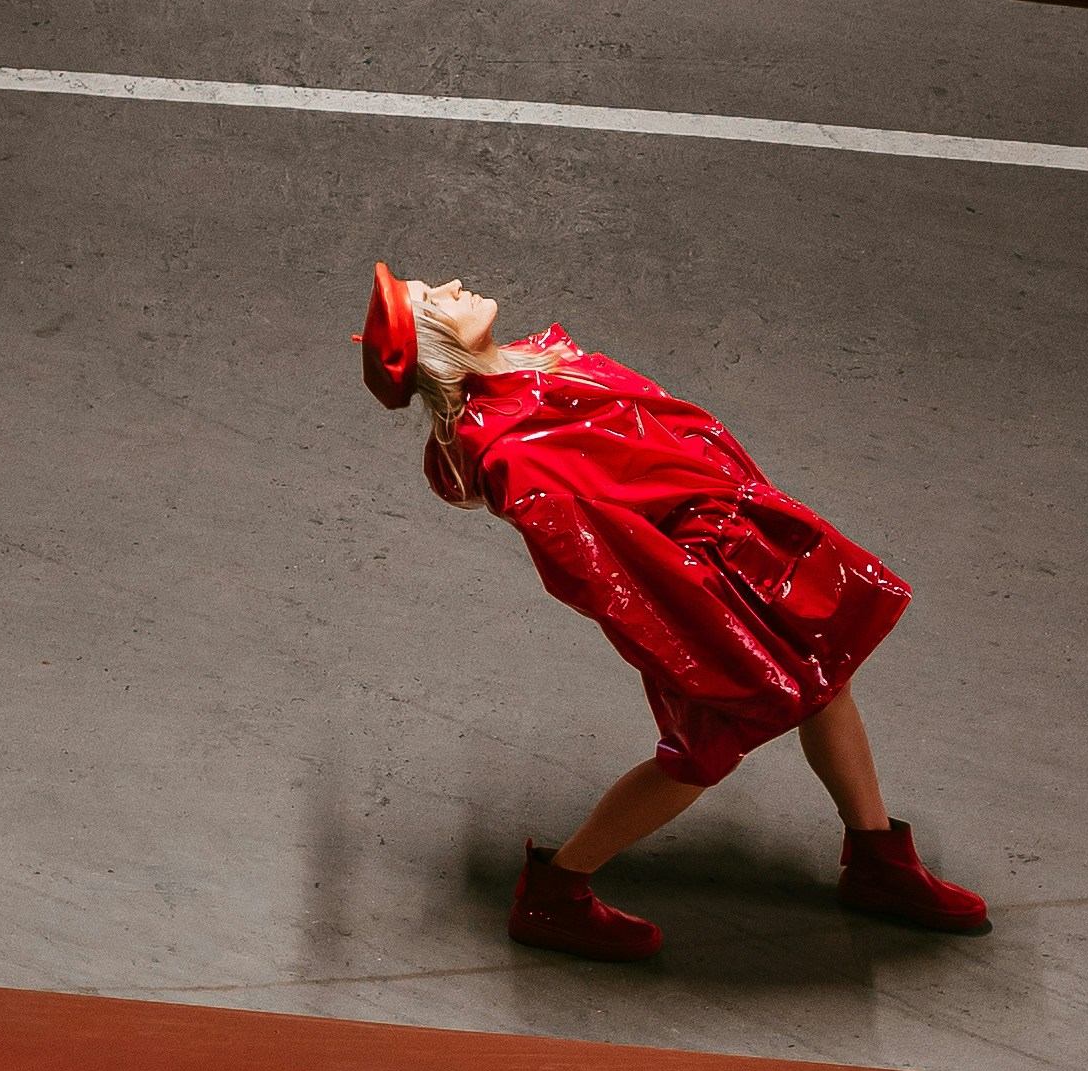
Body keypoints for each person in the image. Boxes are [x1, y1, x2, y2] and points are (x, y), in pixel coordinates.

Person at [357, 263, 989, 961]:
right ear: (437, 344)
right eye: (431, 300)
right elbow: (600, 563)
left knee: (821, 670)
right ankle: (556, 890)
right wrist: (696, 625)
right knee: (703, 748)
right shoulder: (509, 447)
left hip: (726, 552)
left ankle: (876, 858)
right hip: (693, 592)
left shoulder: (531, 370)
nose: (452, 287)